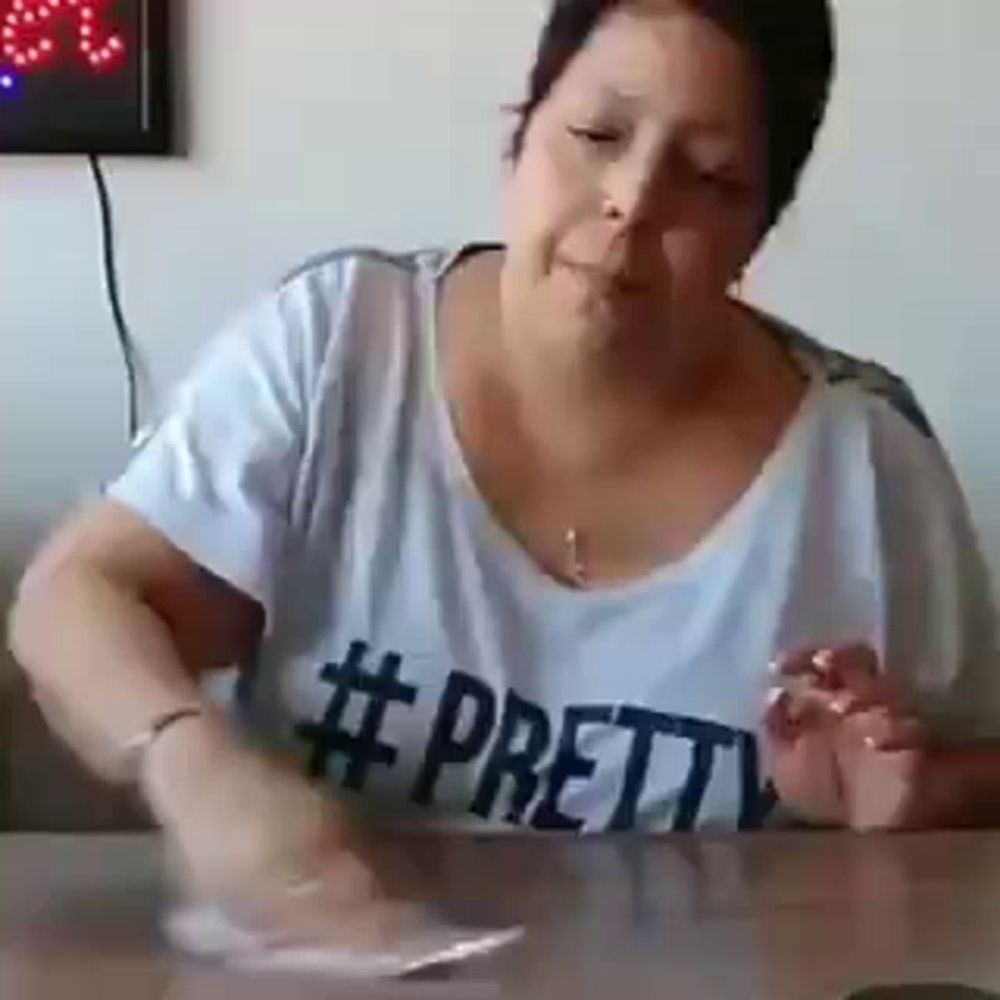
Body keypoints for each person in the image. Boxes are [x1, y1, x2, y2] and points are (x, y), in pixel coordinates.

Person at [9, 0, 1000, 944]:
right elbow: (74, 598)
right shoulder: (337, 350)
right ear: (519, 136)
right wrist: (191, 762)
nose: (631, 201)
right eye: (598, 135)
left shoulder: (867, 466)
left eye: (709, 177)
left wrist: (909, 794)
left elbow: (973, 779)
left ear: (756, 233)